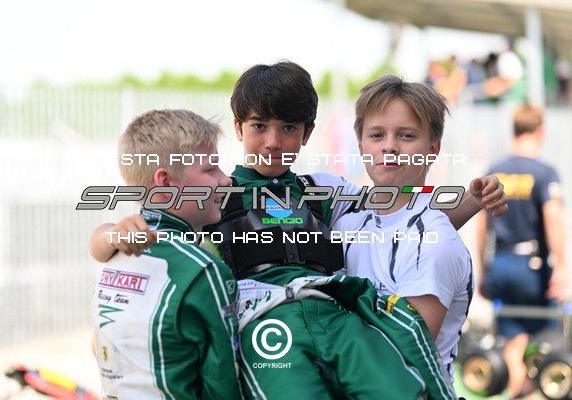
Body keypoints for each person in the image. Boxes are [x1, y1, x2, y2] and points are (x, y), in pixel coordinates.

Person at [90, 61, 508, 399]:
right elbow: (142, 233)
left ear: (307, 134)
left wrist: (473, 202)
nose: (273, 141)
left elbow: (401, 217)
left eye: (289, 127)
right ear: (238, 128)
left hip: (332, 312)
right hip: (266, 328)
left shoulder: (321, 190)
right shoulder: (215, 194)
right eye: (259, 126)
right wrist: (113, 234)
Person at [91, 109, 242, 399]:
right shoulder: (204, 270)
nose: (226, 180)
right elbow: (223, 382)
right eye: (211, 169)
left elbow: (96, 348)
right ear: (166, 182)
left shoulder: (115, 250)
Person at [335, 75, 473, 383]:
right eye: (377, 135)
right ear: (361, 146)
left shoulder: (435, 242)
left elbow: (401, 357)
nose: (389, 147)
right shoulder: (345, 223)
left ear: (433, 149)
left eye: (406, 135)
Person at [476, 104, 569, 398]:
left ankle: (517, 390)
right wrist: (562, 265)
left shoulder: (493, 172)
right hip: (533, 268)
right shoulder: (544, 173)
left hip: (501, 264)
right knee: (549, 342)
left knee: (512, 340)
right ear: (541, 131)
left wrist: (483, 269)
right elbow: (553, 217)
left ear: (513, 130)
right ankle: (532, 388)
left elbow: (481, 224)